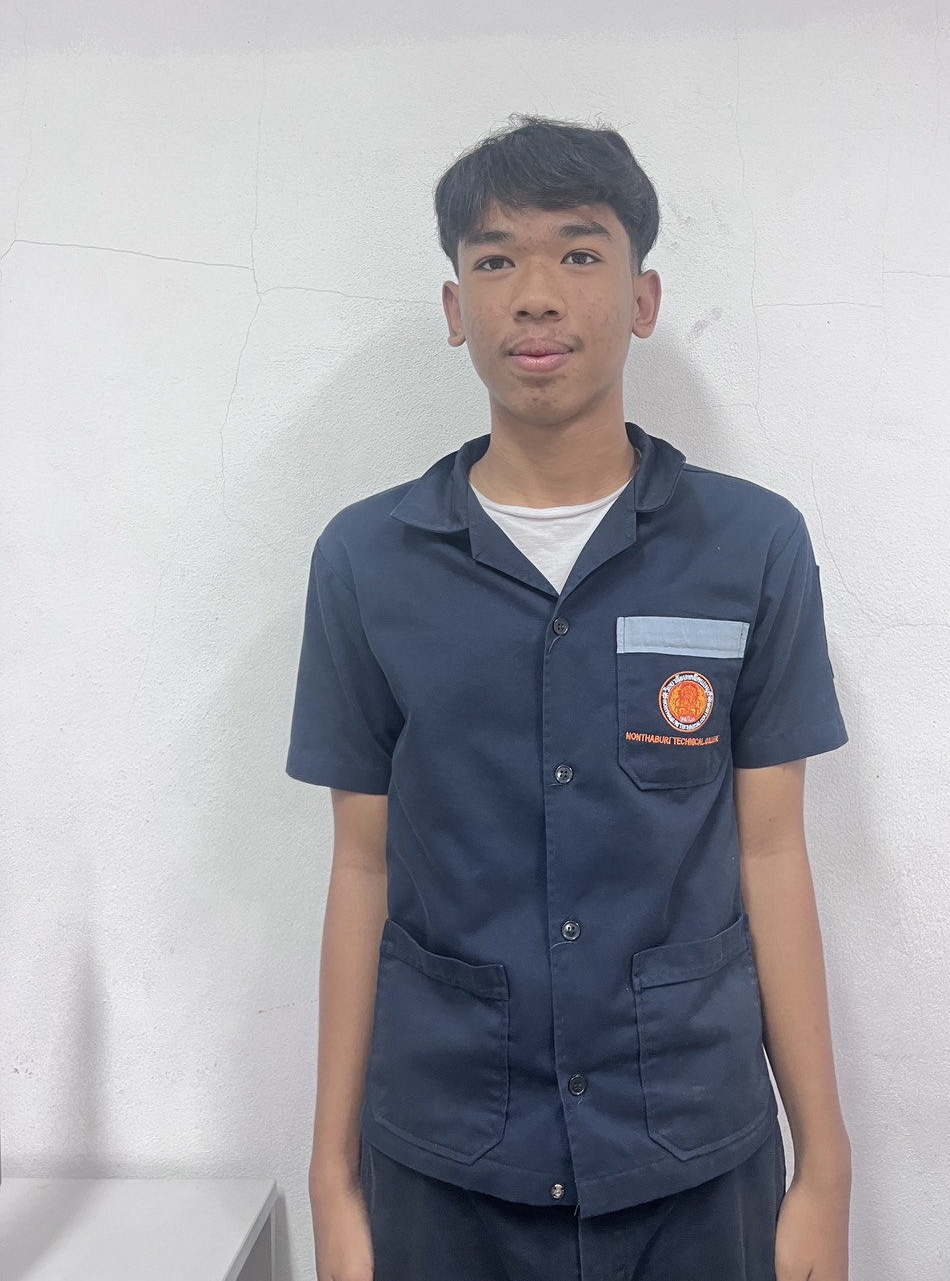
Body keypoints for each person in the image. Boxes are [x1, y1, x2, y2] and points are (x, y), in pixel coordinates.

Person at [286, 113, 852, 1281]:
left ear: (642, 298)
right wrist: (332, 1178)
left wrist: (826, 1169)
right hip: (447, 1156)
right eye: (496, 259)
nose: (535, 295)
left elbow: (770, 851)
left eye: (578, 252)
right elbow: (360, 865)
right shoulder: (366, 561)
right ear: (457, 309)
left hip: (691, 1151)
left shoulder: (749, 547)